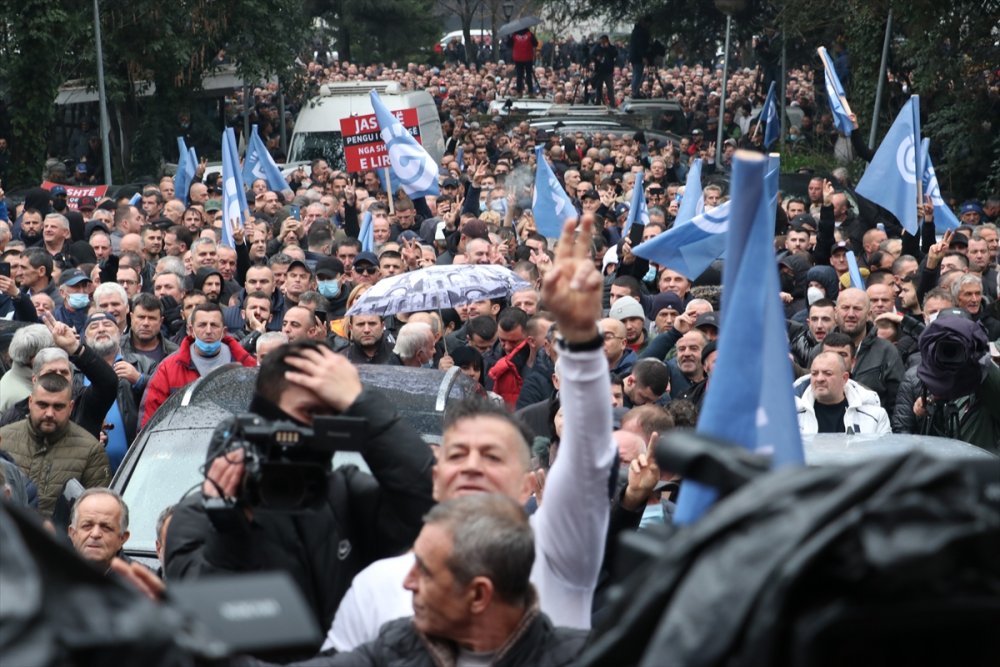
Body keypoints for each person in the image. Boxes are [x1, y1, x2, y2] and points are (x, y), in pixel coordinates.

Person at [324, 216, 616, 651]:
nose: (473, 465)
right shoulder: (379, 586)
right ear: (436, 476)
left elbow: (590, 454)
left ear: (530, 484)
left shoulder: (558, 556)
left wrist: (579, 343)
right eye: (457, 455)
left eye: (493, 456)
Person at [164, 341, 436, 658]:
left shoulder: (344, 495)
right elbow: (205, 630)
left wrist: (363, 403)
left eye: (332, 416)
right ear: (266, 412)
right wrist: (231, 530)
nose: (317, 429)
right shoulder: (198, 518)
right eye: (308, 413)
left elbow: (429, 505)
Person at [261, 494, 588, 667]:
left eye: (424, 570)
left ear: (478, 595)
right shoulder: (398, 644)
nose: (407, 582)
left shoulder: (588, 658)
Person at [0, 372, 111, 517]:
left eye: (58, 407)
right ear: (30, 402)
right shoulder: (4, 439)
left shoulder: (91, 451)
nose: (49, 413)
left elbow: (99, 513)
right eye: (43, 405)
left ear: (71, 407)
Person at [141, 302, 256, 425]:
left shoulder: (247, 365)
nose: (208, 331)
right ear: (191, 330)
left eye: (214, 325)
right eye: (202, 325)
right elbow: (150, 420)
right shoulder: (168, 368)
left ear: (224, 331)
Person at [796, 351, 891, 435]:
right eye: (814, 373)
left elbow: (885, 454)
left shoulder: (875, 417)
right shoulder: (792, 417)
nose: (819, 379)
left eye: (828, 373)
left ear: (844, 378)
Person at [68, 487, 131, 573]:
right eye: (87, 526)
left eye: (106, 527)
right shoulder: (50, 579)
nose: (95, 534)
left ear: (122, 538)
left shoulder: (143, 583)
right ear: (73, 534)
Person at [509, 28, 539, 97]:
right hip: (528, 57)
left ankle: (519, 92)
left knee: (519, 75)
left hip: (518, 58)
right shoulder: (530, 34)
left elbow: (509, 44)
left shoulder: (514, 35)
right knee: (529, 75)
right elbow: (536, 44)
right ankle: (530, 92)